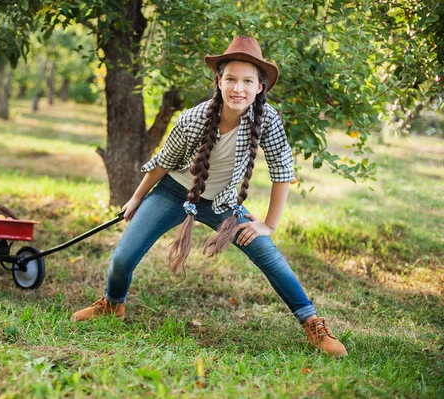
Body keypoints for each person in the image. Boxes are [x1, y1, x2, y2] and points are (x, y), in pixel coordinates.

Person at [71, 36, 347, 357]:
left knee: (270, 257)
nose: (238, 88)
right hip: (175, 192)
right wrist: (135, 199)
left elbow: (282, 171)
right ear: (219, 81)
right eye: (230, 79)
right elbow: (162, 163)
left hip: (224, 204)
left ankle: (314, 325)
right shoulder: (193, 118)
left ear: (260, 87)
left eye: (247, 81)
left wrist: (269, 225)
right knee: (122, 258)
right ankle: (112, 304)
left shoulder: (267, 120)